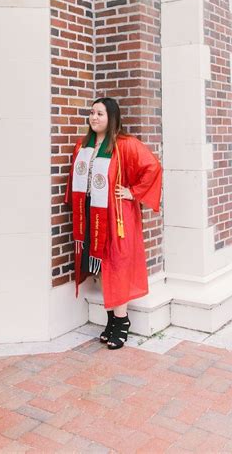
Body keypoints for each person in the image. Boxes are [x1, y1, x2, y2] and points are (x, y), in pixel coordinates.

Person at [65, 97, 162, 350]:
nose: (94, 117)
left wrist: (133, 192)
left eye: (100, 114)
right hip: (91, 214)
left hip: (116, 216)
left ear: (111, 118)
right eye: (92, 113)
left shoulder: (124, 145)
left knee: (116, 265)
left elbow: (152, 167)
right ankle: (111, 321)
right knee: (101, 267)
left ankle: (122, 322)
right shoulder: (83, 146)